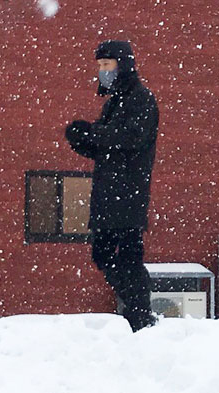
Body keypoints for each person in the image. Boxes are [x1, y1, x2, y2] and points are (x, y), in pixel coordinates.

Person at [66, 40, 161, 331]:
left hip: (127, 194)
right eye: (99, 66)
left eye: (107, 65)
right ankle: (136, 310)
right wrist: (81, 140)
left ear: (123, 65)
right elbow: (104, 148)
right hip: (108, 194)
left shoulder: (141, 99)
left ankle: (140, 313)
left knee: (127, 256)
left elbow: (132, 137)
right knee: (104, 253)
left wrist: (92, 132)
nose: (102, 71)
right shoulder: (114, 103)